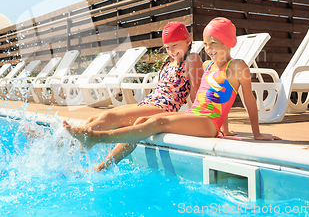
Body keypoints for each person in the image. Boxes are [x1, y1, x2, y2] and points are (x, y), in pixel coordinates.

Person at [63, 17, 281, 152]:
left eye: (213, 43)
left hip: (208, 122)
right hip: (195, 114)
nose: (209, 48)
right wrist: (226, 129)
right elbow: (210, 96)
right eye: (206, 44)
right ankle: (102, 166)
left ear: (228, 43)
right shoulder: (207, 65)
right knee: (144, 120)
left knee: (155, 122)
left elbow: (248, 101)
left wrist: (257, 133)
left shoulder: (238, 66)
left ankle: (98, 138)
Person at [82, 21, 203, 171]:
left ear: (187, 41)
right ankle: (79, 158)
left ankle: (77, 147)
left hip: (163, 108)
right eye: (167, 47)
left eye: (175, 45)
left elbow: (196, 91)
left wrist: (197, 118)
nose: (171, 51)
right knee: (95, 118)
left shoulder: (192, 59)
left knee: (109, 119)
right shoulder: (169, 61)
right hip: (149, 103)